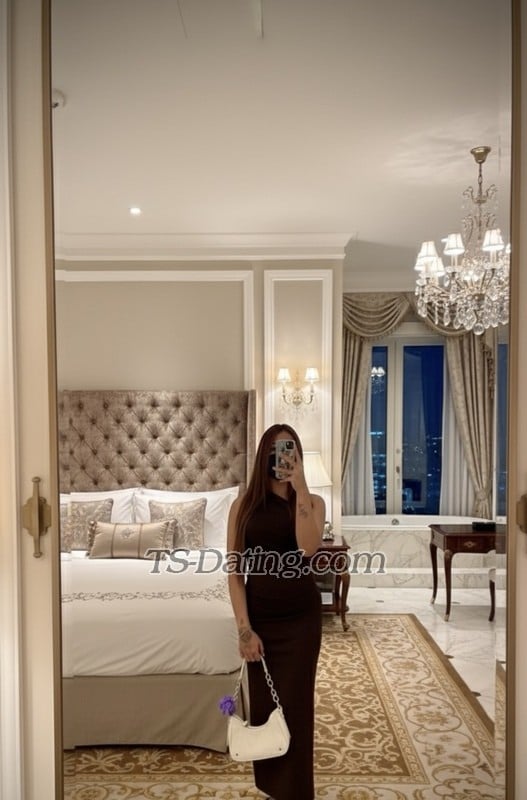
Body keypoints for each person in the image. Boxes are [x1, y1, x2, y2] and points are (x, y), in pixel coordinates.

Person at [227, 423, 325, 800]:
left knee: (297, 707)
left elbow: (308, 548)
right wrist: (244, 629)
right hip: (261, 619)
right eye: (274, 451)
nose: (281, 458)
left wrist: (300, 486)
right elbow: (235, 573)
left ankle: (298, 793)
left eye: (288, 451)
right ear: (262, 457)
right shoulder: (243, 506)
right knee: (266, 706)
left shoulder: (313, 502)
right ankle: (272, 787)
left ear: (297, 456)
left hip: (301, 621)